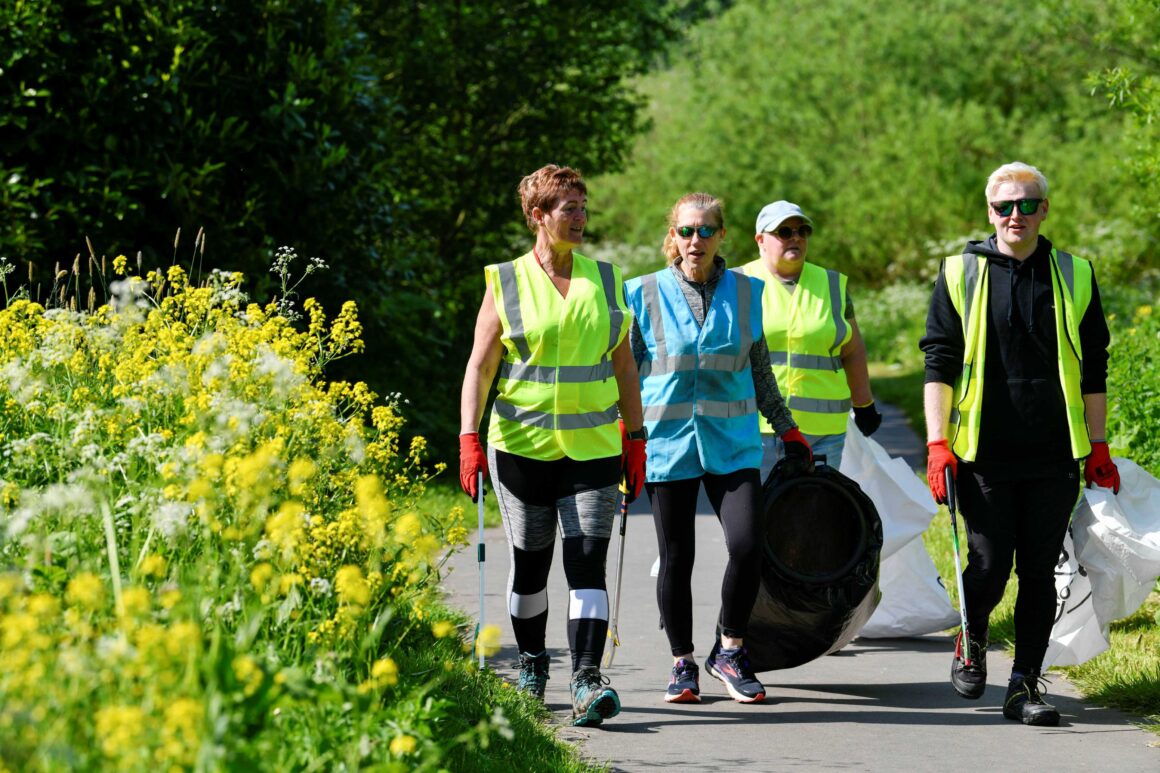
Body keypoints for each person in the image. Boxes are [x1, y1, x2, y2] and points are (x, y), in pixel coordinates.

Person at [921, 161, 1119, 727]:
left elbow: (1094, 368)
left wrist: (1098, 446)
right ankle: (974, 633)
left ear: (1044, 210)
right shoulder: (961, 273)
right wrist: (938, 444)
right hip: (983, 450)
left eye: (1027, 204)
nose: (1016, 215)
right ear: (989, 212)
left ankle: (1025, 685)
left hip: (1055, 451)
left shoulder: (1074, 273)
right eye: (1004, 206)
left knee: (1039, 571)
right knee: (986, 566)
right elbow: (938, 361)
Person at [458, 164, 647, 728]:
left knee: (586, 560)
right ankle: (534, 668)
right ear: (538, 216)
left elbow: (624, 365)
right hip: (520, 447)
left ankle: (587, 681)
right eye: (570, 209)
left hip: (592, 448)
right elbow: (481, 365)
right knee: (531, 565)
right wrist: (469, 437)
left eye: (584, 207)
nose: (582, 218)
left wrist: (635, 438)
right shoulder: (506, 281)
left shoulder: (607, 280)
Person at [625, 192, 812, 705]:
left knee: (749, 546)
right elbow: (624, 376)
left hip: (732, 445)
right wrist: (625, 436)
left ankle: (729, 649)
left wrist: (788, 428)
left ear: (721, 236)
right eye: (686, 231)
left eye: (706, 231)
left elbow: (759, 372)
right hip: (668, 445)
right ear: (672, 236)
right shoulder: (640, 294)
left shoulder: (748, 293)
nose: (695, 241)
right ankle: (682, 663)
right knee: (676, 557)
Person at [741, 200, 881, 479]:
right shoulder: (738, 283)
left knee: (816, 516)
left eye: (802, 231)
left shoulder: (832, 284)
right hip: (756, 429)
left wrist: (864, 404)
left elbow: (852, 349)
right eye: (784, 232)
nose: (795, 237)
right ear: (761, 240)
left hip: (824, 431)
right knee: (764, 517)